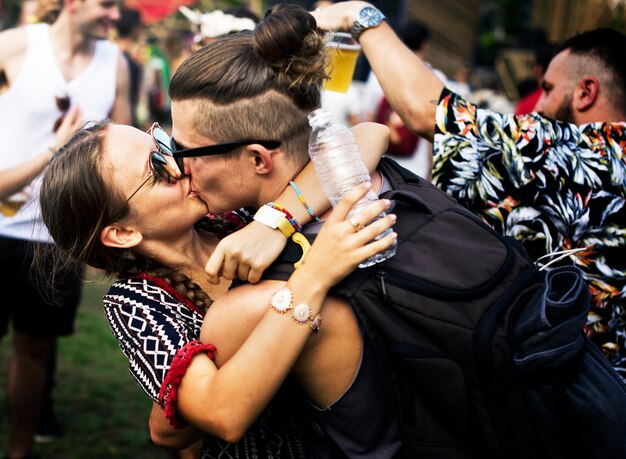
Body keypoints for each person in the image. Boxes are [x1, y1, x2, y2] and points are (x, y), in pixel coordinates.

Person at [38, 117, 397, 458]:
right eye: (157, 168)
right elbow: (224, 416)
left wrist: (273, 223)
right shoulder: (136, 302)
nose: (178, 165)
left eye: (166, 145)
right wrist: (314, 277)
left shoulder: (234, 215)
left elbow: (370, 134)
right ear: (122, 233)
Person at [312, 3, 626, 376]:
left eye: (547, 89)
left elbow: (430, 113)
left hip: (582, 394)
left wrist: (358, 14)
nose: (536, 106)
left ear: (586, 92)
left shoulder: (594, 155)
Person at [0, 0, 131, 456]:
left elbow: (122, 148)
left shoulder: (114, 63)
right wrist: (52, 151)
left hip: (57, 239)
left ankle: (20, 450)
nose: (115, 17)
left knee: (35, 351)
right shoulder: (12, 48)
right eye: (108, 5)